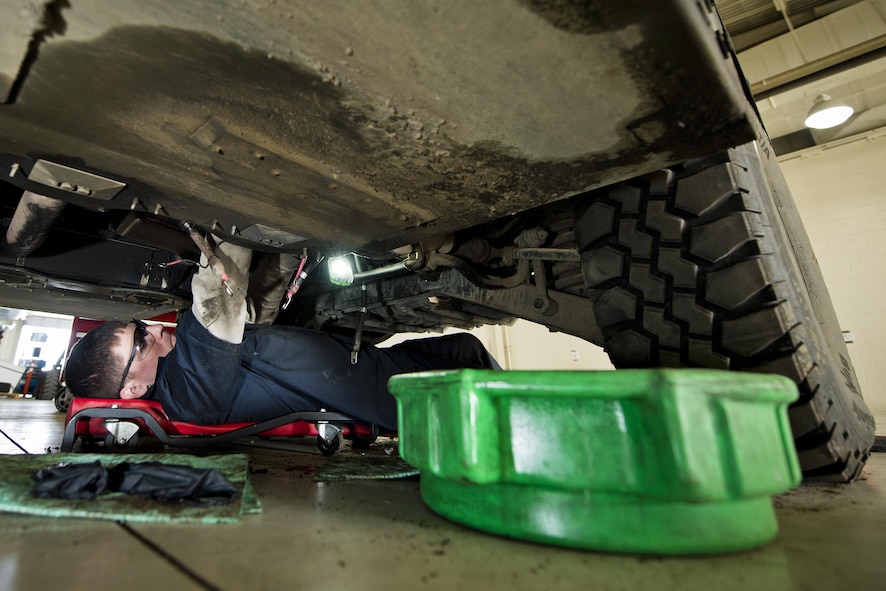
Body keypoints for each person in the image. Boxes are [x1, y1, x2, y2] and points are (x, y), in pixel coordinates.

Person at [64, 239, 500, 430]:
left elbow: (247, 314)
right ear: (134, 388)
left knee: (465, 349)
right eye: (140, 342)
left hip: (371, 371)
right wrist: (234, 210)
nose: (154, 329)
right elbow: (217, 298)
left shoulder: (187, 369)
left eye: (140, 326)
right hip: (390, 395)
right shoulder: (187, 393)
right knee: (473, 367)